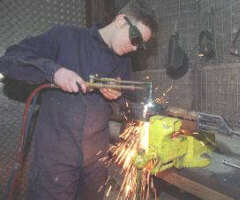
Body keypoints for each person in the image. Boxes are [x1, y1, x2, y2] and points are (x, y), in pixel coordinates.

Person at [0, 0, 157, 199]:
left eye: (140, 45)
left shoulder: (123, 62)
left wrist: (116, 99)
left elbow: (126, 109)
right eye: (135, 38)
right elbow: (9, 60)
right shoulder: (66, 37)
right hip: (55, 163)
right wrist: (54, 71)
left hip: (96, 164)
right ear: (120, 21)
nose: (135, 48)